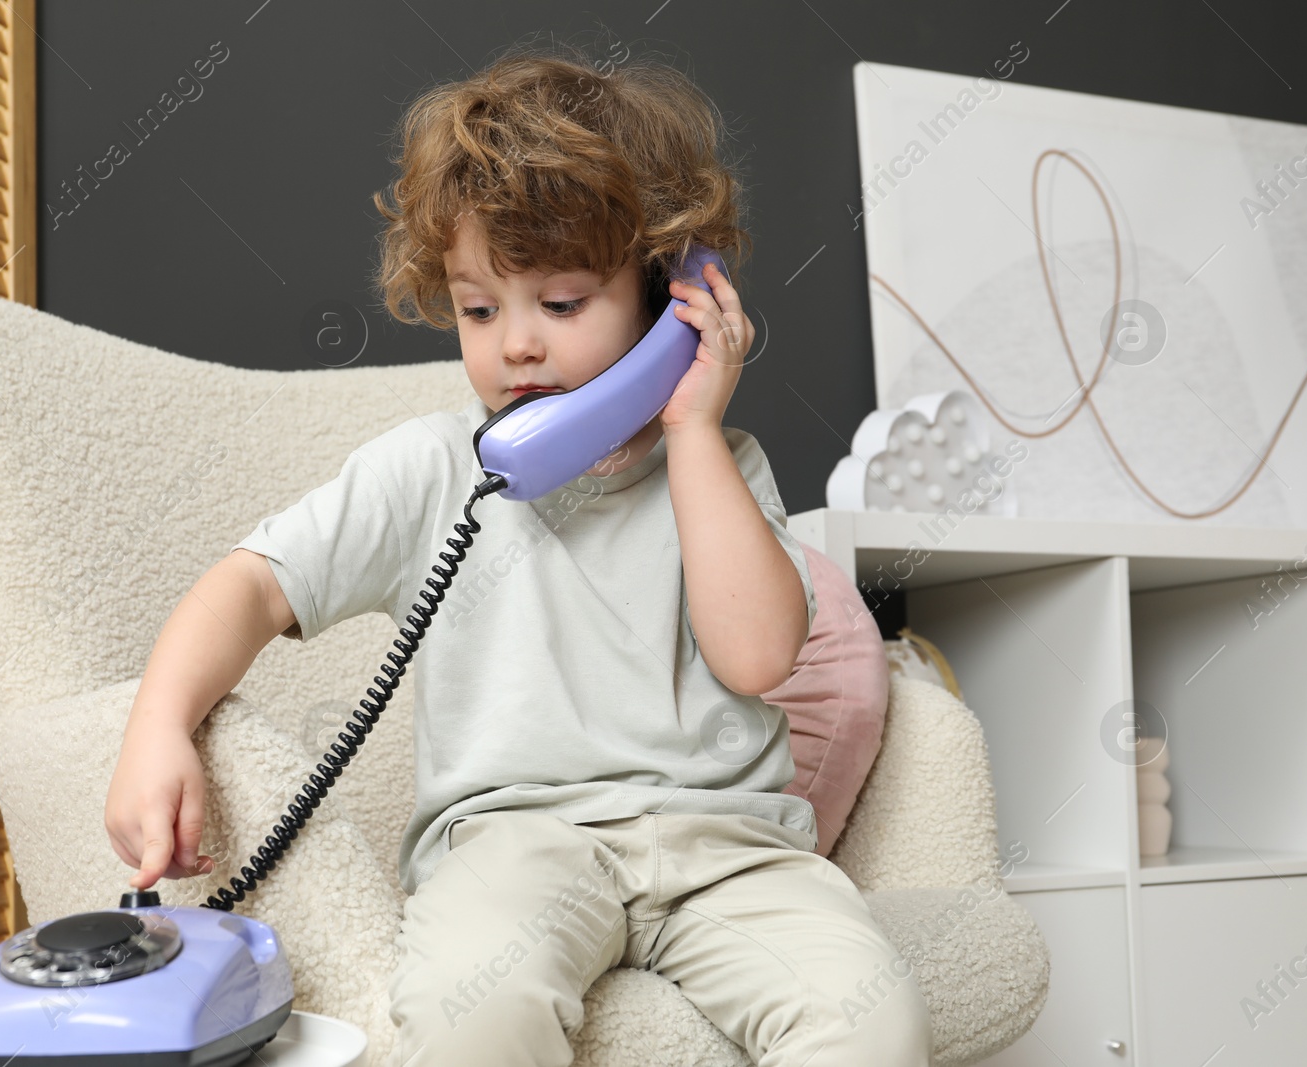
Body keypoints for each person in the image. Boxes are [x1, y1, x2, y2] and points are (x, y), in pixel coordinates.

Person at [105, 42, 931, 1067]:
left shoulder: (719, 466)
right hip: (515, 846)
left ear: (668, 294)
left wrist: (691, 432)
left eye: (562, 302)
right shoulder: (428, 470)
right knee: (468, 1007)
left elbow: (761, 657)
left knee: (870, 1013)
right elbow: (250, 587)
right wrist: (159, 723)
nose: (516, 346)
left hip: (731, 850)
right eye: (480, 307)